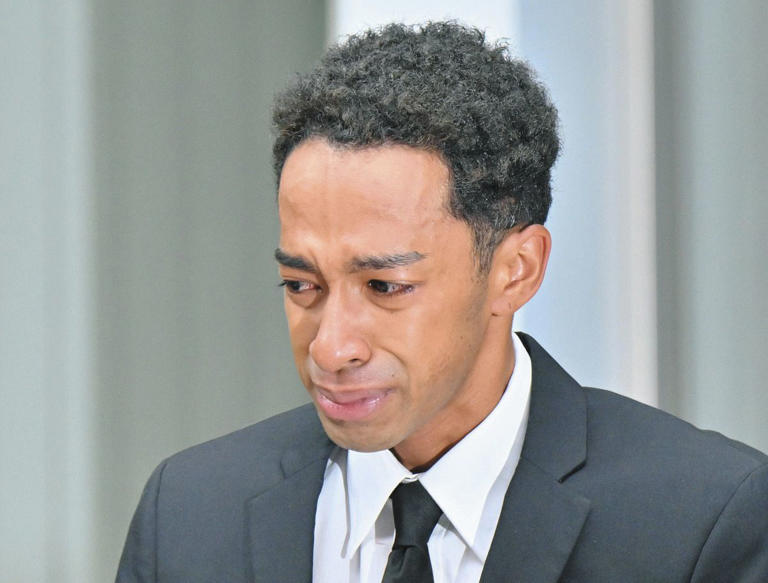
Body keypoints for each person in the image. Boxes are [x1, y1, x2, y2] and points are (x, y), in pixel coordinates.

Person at [116, 22, 768, 582]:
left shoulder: (703, 520)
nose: (331, 347)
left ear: (516, 270)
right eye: (302, 285)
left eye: (385, 287)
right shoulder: (190, 515)